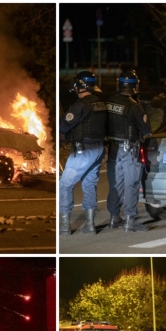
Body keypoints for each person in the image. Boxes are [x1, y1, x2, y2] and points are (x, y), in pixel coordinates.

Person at [59, 71, 107, 235]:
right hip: (98, 149)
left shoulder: (81, 105)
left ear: (80, 86)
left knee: (64, 185)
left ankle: (65, 226)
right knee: (89, 185)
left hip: (83, 151)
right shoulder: (100, 103)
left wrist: (61, 119)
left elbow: (64, 126)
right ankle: (90, 225)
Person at [106, 70, 152, 232]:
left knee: (116, 184)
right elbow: (146, 131)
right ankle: (130, 221)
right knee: (131, 184)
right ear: (135, 86)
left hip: (113, 149)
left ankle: (114, 218)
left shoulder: (109, 102)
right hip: (130, 150)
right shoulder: (134, 106)